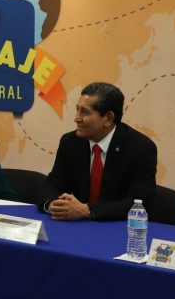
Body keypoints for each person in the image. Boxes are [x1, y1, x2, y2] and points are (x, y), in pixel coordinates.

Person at [39, 82, 157, 221]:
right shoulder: (70, 142)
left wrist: (87, 210)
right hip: (78, 225)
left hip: (118, 227)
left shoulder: (141, 148)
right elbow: (54, 184)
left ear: (108, 118)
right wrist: (52, 204)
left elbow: (138, 202)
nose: (76, 118)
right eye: (77, 110)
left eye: (84, 112)